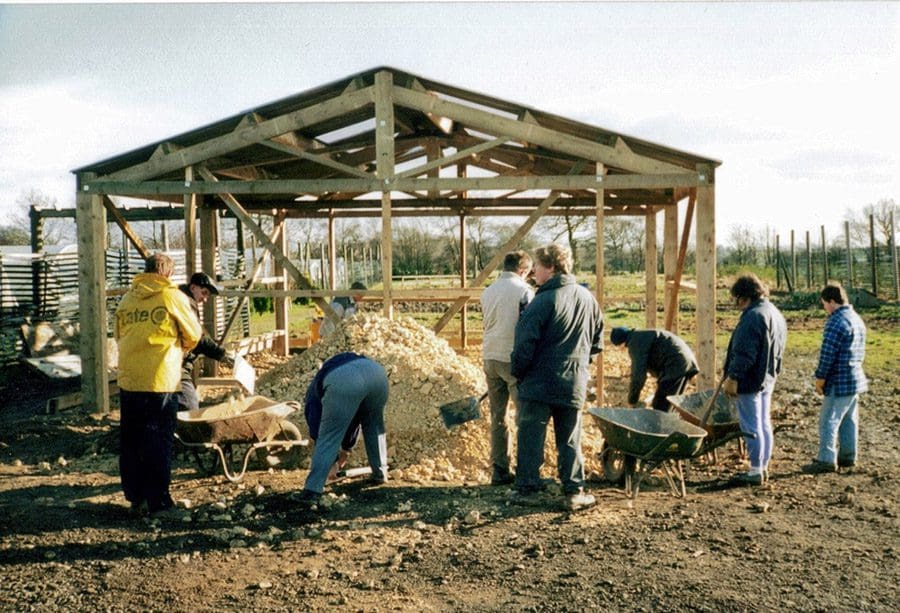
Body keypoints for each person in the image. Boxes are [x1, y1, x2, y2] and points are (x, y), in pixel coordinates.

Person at [509, 244, 603, 511]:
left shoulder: (542, 301)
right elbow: (597, 342)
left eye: (537, 267)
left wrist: (518, 371)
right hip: (573, 383)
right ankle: (574, 491)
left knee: (530, 435)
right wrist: (579, 365)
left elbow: (524, 343)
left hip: (538, 384)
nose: (533, 272)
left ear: (550, 268)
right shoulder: (588, 299)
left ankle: (527, 488)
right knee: (570, 438)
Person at [114, 253, 202, 517]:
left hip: (130, 379)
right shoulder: (171, 296)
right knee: (158, 439)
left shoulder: (127, 299)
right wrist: (179, 348)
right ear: (167, 274)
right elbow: (194, 334)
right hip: (160, 378)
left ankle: (135, 498)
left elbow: (119, 335)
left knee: (131, 440)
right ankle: (159, 502)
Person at [297, 352, 389, 507]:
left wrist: (333, 462)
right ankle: (380, 473)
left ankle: (311, 491)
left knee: (329, 436)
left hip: (345, 380)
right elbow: (354, 419)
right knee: (374, 425)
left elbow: (320, 431)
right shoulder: (336, 367)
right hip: (377, 374)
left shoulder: (313, 395)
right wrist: (346, 449)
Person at [722, 273, 787, 486]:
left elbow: (744, 354)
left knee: (750, 424)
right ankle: (763, 465)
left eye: (737, 300)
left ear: (744, 297)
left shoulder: (753, 316)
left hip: (750, 379)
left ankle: (755, 470)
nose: (737, 305)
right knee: (763, 422)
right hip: (767, 377)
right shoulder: (774, 312)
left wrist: (733, 377)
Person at [480, 250, 534, 486]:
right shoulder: (524, 291)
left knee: (498, 416)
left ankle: (500, 470)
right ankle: (524, 471)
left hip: (490, 357)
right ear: (523, 270)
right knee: (524, 417)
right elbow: (528, 326)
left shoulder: (488, 291)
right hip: (513, 359)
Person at [803, 283, 867, 474]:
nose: (825, 309)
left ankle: (826, 459)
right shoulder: (856, 318)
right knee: (849, 419)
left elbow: (827, 354)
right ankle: (848, 457)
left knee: (828, 419)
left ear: (832, 301)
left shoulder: (835, 321)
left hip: (838, 381)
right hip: (855, 378)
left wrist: (820, 378)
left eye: (824, 304)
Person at [176, 272, 235, 412]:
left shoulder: (183, 300)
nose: (205, 299)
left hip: (171, 362)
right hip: (174, 365)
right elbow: (198, 340)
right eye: (204, 293)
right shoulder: (185, 303)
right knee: (189, 408)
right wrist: (222, 355)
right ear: (193, 288)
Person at [609, 327, 699, 412]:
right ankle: (669, 426)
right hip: (683, 361)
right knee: (670, 403)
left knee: (661, 406)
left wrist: (632, 400)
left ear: (621, 343)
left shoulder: (635, 343)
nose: (621, 350)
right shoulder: (639, 336)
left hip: (675, 363)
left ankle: (662, 428)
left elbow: (638, 375)